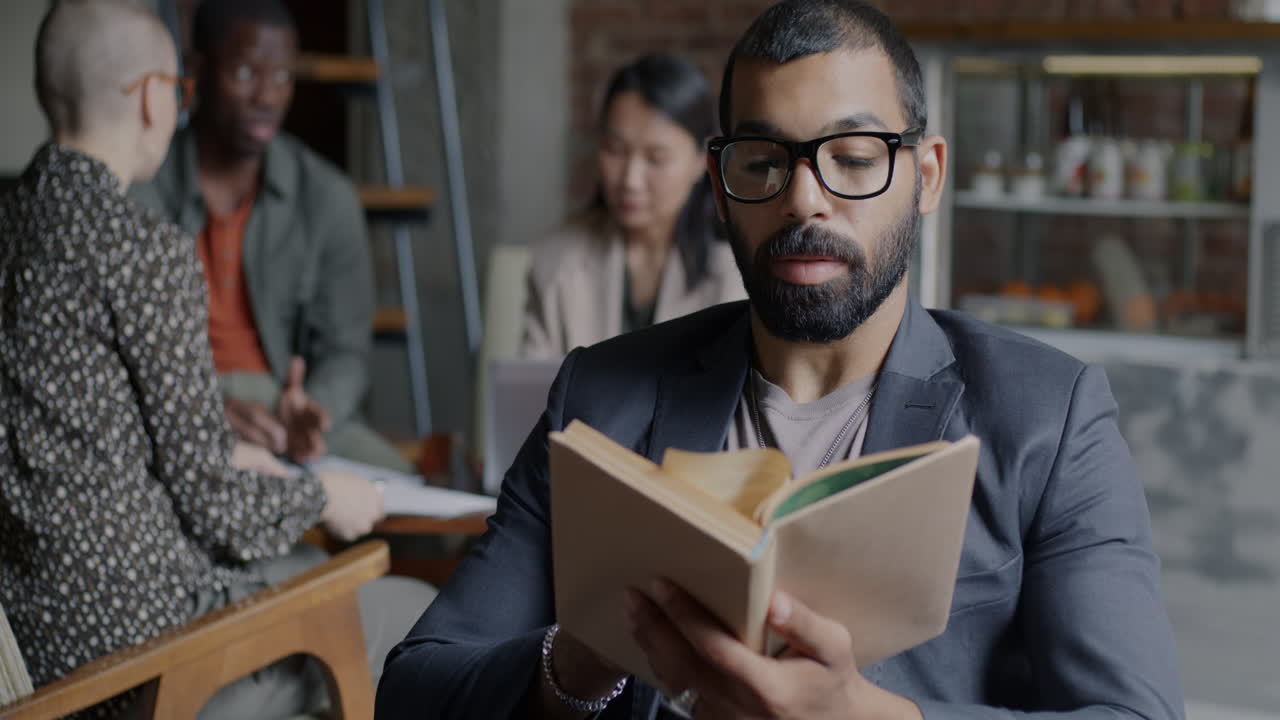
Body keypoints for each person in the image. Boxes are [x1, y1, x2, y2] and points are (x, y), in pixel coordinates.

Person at [375, 1, 1187, 718]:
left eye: (854, 157)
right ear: (720, 183)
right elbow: (415, 690)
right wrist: (584, 655)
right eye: (763, 161)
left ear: (928, 176)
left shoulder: (1049, 417)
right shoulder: (600, 396)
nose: (804, 198)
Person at [0, 2, 431, 717]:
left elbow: (76, 433)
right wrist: (326, 498)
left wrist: (232, 459)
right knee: (416, 610)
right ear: (151, 96)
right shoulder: (141, 250)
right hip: (146, 660)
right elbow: (212, 504)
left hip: (39, 639)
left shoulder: (12, 223)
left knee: (310, 568)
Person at [132, 0, 412, 473]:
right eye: (245, 73)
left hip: (285, 410)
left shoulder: (326, 196)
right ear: (197, 70)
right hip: (177, 412)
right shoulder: (144, 187)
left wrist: (312, 411)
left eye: (283, 77)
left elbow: (347, 352)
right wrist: (200, 412)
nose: (267, 96)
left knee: (399, 485)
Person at [521, 54, 746, 358]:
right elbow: (531, 382)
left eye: (656, 158)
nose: (631, 180)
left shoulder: (737, 271)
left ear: (701, 160)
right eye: (615, 150)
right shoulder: (557, 262)